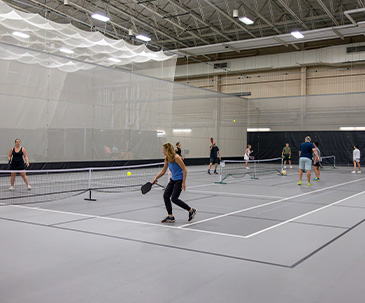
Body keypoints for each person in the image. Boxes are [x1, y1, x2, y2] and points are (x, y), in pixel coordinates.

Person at [153, 143, 197, 223]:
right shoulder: (167, 158)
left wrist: (183, 183)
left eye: (163, 150)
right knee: (166, 195)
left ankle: (191, 210)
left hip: (179, 180)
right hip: (173, 180)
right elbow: (163, 171)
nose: (162, 151)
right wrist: (156, 178)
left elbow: (184, 169)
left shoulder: (176, 157)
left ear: (167, 150)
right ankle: (170, 216)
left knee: (174, 198)